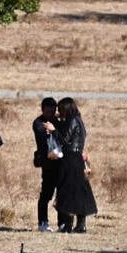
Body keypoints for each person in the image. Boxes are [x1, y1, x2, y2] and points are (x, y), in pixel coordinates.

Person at [54, 98, 98, 233]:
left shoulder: (72, 120)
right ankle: (81, 225)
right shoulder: (78, 119)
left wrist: (54, 129)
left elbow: (65, 141)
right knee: (79, 191)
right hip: (78, 158)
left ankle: (67, 225)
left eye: (60, 109)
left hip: (69, 159)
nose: (58, 112)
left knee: (66, 191)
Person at [33, 97, 62, 231]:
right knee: (46, 194)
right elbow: (43, 136)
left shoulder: (57, 121)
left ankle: (62, 223)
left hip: (61, 163)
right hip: (48, 164)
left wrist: (55, 125)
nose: (51, 114)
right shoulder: (38, 123)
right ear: (43, 110)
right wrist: (53, 128)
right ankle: (43, 223)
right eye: (48, 111)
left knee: (62, 194)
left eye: (53, 111)